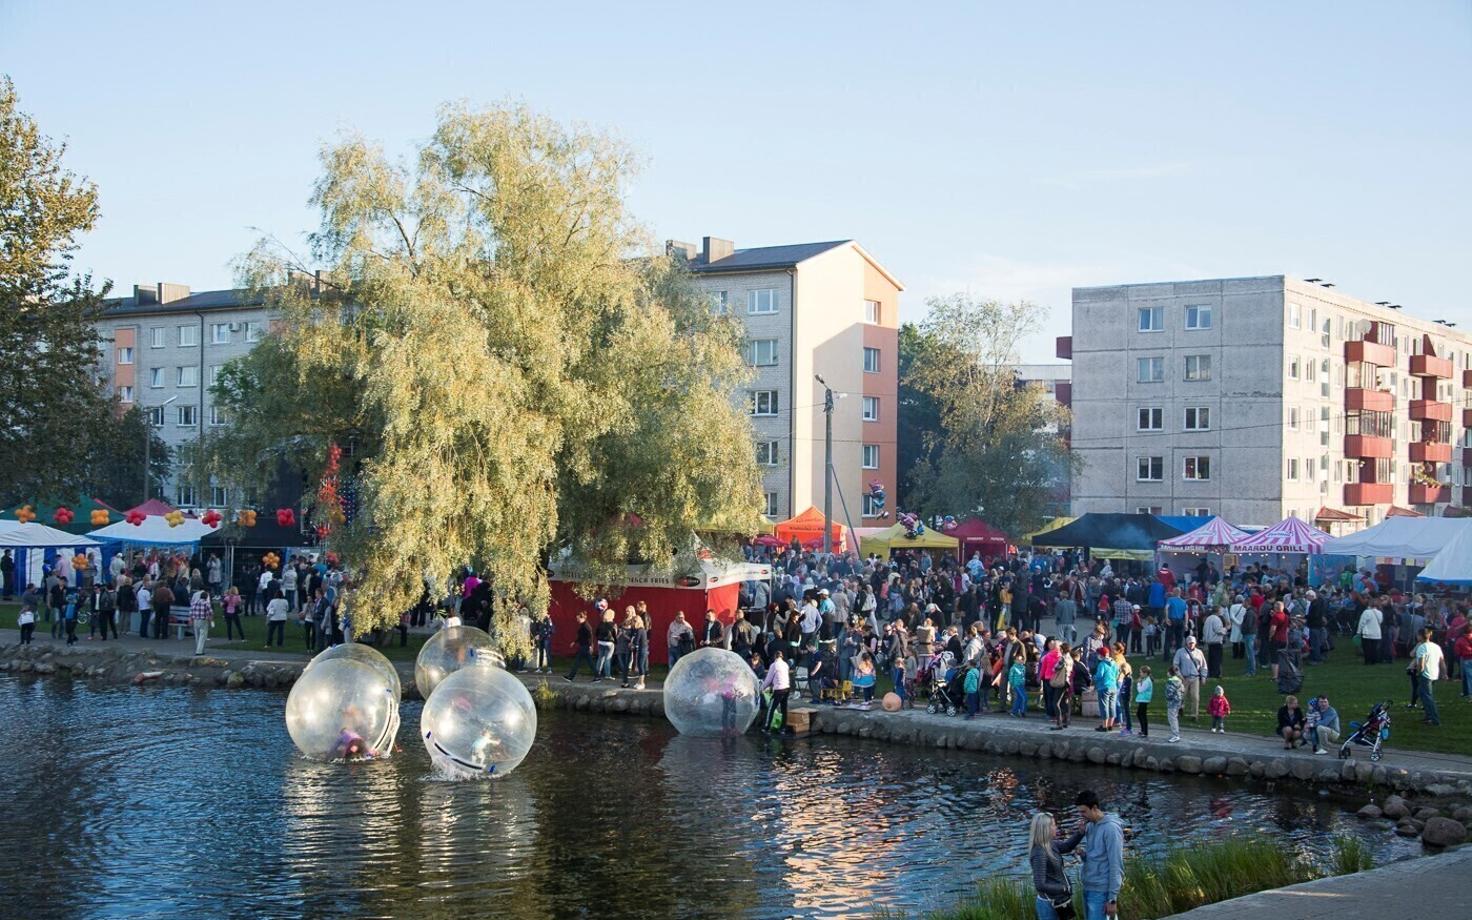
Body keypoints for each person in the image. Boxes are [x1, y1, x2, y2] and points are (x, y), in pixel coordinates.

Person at [1062, 790, 1124, 920]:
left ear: (1094, 808)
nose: (1081, 815)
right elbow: (1097, 857)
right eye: (1079, 812)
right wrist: (1084, 855)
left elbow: (1116, 864)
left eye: (1083, 812)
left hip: (1101, 891)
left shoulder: (1111, 829)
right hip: (1088, 886)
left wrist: (1112, 899)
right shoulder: (1089, 826)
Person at [1028, 812, 1075, 920]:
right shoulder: (1039, 852)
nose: (1056, 827)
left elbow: (1067, 846)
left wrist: (1081, 832)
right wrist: (1063, 888)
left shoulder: (1050, 844)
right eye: (1053, 825)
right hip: (1049, 905)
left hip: (1059, 901)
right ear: (1045, 829)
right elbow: (1040, 884)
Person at [1411, 626, 1444, 726]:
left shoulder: (1422, 647)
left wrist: (1418, 672)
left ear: (1420, 636)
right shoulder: (1436, 646)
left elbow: (1421, 663)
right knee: (1421, 693)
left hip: (1425, 674)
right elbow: (1442, 661)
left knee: (1427, 697)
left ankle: (1435, 719)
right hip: (1434, 673)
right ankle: (1428, 716)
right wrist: (1444, 673)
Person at [1172, 635, 1207, 720]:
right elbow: (1175, 664)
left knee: (1195, 697)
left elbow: (1203, 666)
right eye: (1189, 643)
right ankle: (1180, 709)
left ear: (1195, 643)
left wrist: (1203, 677)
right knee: (1181, 696)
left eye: (1193, 643)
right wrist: (1179, 675)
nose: (1191, 644)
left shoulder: (1199, 652)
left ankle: (1194, 715)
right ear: (1186, 643)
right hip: (1184, 678)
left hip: (1195, 678)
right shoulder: (1180, 652)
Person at [761, 647, 791, 734]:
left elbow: (768, 680)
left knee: (771, 708)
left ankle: (766, 728)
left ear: (775, 657)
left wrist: (761, 688)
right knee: (784, 709)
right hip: (787, 688)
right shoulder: (786, 664)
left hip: (779, 690)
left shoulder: (774, 665)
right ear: (782, 657)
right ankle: (783, 728)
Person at [564, 611, 597, 681]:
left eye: (578, 618)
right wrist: (574, 642)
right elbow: (581, 637)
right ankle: (597, 676)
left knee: (577, 662)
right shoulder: (583, 625)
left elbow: (590, 636)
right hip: (584, 646)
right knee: (589, 662)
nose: (577, 620)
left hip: (585, 646)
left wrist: (591, 645)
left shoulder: (586, 626)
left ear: (582, 618)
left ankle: (571, 677)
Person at [1093, 650, 1118, 732]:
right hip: (1113, 686)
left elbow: (1099, 676)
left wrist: (1094, 677)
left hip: (1104, 687)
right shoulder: (1114, 663)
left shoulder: (1102, 664)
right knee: (1112, 706)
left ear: (1101, 655)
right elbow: (1117, 673)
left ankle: (1104, 726)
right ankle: (1110, 725)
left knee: (1104, 706)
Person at [1357, 601, 1383, 665]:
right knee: (1374, 648)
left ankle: (1367, 661)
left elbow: (1362, 622)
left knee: (1367, 648)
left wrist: (1358, 631)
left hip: (1367, 633)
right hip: (1376, 633)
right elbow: (1381, 621)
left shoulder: (1366, 612)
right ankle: (1374, 660)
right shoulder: (1380, 612)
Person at [189, 588, 213, 655]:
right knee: (203, 636)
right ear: (206, 597)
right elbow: (210, 613)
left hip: (195, 620)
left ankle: (199, 648)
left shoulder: (195, 603)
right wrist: (211, 621)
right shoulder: (206, 603)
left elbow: (191, 611)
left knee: (197, 635)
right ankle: (199, 651)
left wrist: (190, 619)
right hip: (203, 620)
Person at [1165, 665, 1184, 743]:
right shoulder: (1179, 681)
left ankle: (1175, 735)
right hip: (1178, 702)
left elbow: (1169, 694)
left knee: (1172, 718)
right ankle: (1175, 734)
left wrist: (1168, 698)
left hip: (1172, 702)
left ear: (1169, 673)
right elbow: (1182, 691)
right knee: (1174, 718)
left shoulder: (1170, 682)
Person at [1134, 665, 1152, 738]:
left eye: (1141, 672)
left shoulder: (1147, 681)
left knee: (1142, 715)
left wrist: (1138, 683)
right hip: (1142, 699)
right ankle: (1143, 730)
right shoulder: (1145, 679)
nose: (1140, 674)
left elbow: (1140, 690)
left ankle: (1145, 731)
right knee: (1139, 714)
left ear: (1145, 673)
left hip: (1144, 699)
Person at [1008, 652, 1029, 718]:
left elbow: (1023, 676)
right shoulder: (1013, 668)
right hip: (1016, 685)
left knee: (1019, 699)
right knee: (1024, 697)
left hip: (1021, 685)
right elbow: (1010, 677)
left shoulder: (1023, 667)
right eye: (1017, 659)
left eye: (1021, 659)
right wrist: (1012, 684)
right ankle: (1022, 711)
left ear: (1023, 660)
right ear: (1015, 660)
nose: (1019, 661)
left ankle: (1014, 712)